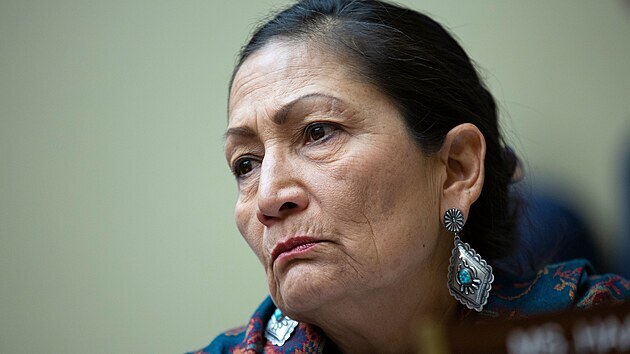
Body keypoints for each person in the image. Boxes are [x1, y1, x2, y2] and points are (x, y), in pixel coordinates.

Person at [192, 0, 629, 352]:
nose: (268, 198)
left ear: (456, 169)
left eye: (318, 132)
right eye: (245, 163)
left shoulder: (598, 326)